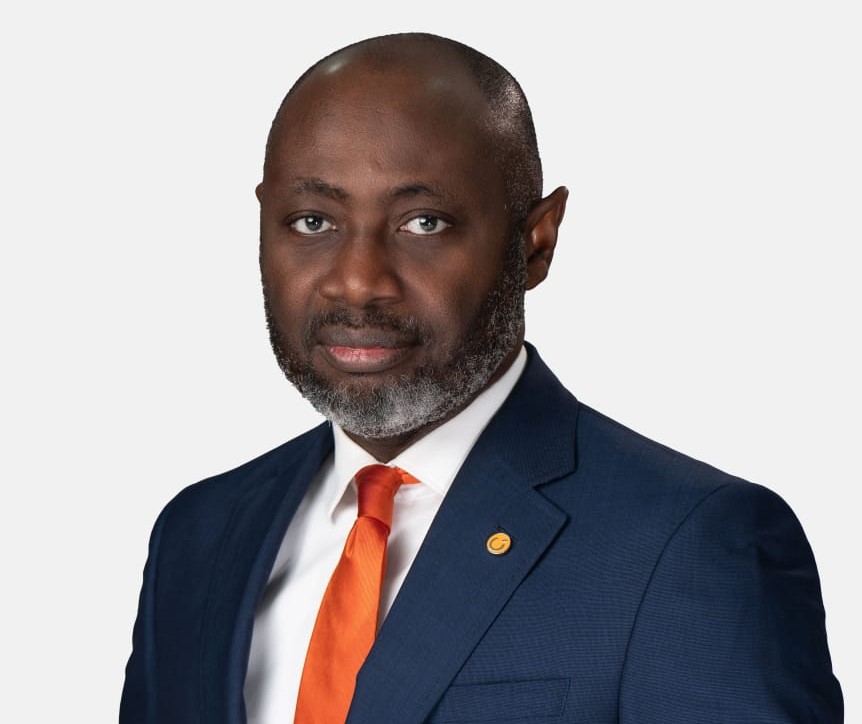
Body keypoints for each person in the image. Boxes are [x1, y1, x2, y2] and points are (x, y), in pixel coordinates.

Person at [120, 32, 843, 723]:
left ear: (536, 242)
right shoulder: (199, 535)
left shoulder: (691, 545)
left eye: (424, 223)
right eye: (312, 222)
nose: (357, 282)